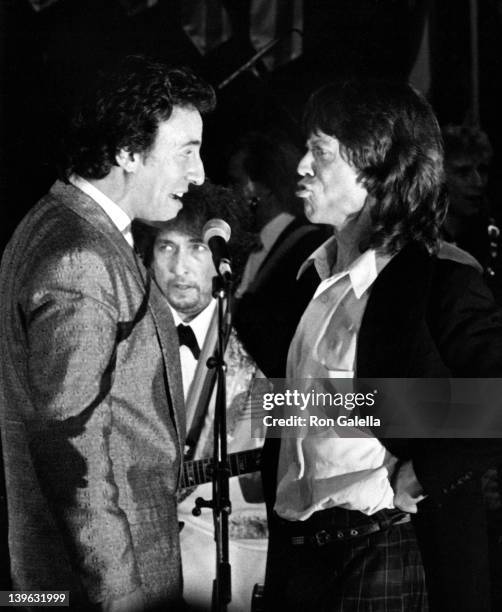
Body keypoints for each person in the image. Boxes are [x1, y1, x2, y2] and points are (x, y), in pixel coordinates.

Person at [237, 79, 502, 612]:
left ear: (376, 170)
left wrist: (426, 472)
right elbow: (319, 406)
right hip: (302, 555)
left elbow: (492, 401)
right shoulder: (307, 276)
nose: (302, 169)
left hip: (387, 543)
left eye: (320, 153)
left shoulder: (440, 278)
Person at [0, 55, 215, 611]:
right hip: (99, 585)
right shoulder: (81, 258)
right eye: (187, 152)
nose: (199, 175)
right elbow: (74, 457)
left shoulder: (64, 226)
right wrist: (119, 596)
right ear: (126, 152)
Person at [135, 181, 267, 611]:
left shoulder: (262, 337)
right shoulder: (124, 336)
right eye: (166, 248)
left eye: (196, 248)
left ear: (223, 258)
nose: (180, 267)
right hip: (142, 556)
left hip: (242, 556)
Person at [229, 132, 330, 377]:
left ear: (259, 189)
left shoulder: (312, 250)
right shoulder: (238, 248)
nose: (230, 195)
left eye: (235, 182)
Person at [441, 124, 501, 302]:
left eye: (482, 170)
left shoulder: (491, 235)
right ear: (437, 176)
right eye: (463, 172)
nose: (478, 182)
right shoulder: (418, 239)